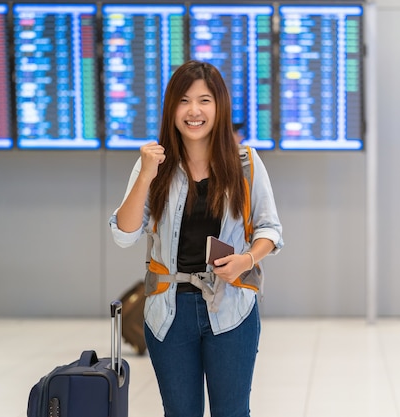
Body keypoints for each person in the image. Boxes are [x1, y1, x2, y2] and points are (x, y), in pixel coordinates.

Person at [109, 60, 284, 417]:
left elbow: (269, 230)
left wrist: (246, 260)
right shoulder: (152, 167)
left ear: (219, 107)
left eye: (204, 100)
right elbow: (124, 235)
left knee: (232, 412)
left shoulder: (246, 164)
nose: (194, 111)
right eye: (184, 100)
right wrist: (145, 176)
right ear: (171, 108)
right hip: (169, 312)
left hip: (231, 307)